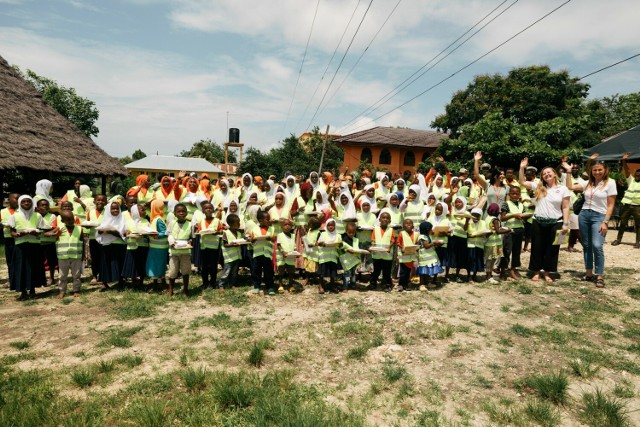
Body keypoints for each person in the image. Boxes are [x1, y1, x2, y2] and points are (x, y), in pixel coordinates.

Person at [564, 157, 616, 288]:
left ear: (605, 170)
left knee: (597, 245)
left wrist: (605, 221)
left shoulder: (610, 183)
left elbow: (611, 205)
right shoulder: (587, 183)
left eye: (600, 170)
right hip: (584, 215)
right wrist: (569, 172)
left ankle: (599, 275)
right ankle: (588, 273)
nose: (597, 172)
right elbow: (570, 186)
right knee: (586, 245)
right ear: (591, 171)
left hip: (599, 216)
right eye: (594, 170)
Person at [519, 158, 570, 283]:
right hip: (538, 221)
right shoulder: (539, 186)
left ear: (554, 174)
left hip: (556, 221)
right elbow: (521, 182)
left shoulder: (563, 189)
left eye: (549, 172)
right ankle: (536, 271)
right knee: (537, 247)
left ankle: (548, 272)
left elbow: (565, 207)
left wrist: (566, 224)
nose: (547, 174)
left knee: (552, 249)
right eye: (544, 173)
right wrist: (522, 168)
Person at [8, 195, 45, 300]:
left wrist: (36, 232)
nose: (26, 203)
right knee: (21, 268)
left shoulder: (37, 216)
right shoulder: (14, 216)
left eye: (28, 201)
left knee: (34, 267)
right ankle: (23, 291)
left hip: (34, 245)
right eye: (24, 201)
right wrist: (19, 234)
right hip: (20, 246)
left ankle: (33, 290)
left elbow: (42, 230)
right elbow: (12, 232)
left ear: (32, 203)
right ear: (20, 203)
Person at [96, 201, 127, 291]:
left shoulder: (122, 220)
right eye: (113, 209)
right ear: (109, 210)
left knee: (119, 263)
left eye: (117, 208)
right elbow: (99, 234)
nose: (115, 210)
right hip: (107, 245)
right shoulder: (105, 221)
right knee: (106, 263)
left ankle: (120, 281)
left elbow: (124, 234)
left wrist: (115, 233)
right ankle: (104, 283)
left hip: (119, 245)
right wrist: (101, 232)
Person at [612, 153, 640, 248]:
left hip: (637, 207)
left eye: (639, 175)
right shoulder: (631, 180)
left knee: (638, 224)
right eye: (636, 174)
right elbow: (626, 170)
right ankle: (618, 239)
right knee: (623, 222)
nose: (638, 175)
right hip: (627, 205)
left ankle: (637, 242)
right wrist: (624, 161)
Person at [55, 211, 84, 298]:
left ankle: (76, 290)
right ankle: (62, 291)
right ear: (62, 220)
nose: (71, 221)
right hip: (63, 256)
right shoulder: (59, 229)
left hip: (76, 256)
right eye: (67, 219)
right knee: (62, 275)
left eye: (72, 218)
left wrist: (83, 255)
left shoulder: (79, 229)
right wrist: (55, 234)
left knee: (76, 274)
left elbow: (82, 241)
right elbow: (48, 235)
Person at [500, 186, 526, 280]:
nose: (515, 195)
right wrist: (514, 215)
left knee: (516, 252)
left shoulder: (522, 205)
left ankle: (512, 270)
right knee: (506, 251)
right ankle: (503, 271)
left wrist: (524, 217)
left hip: (519, 230)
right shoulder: (506, 204)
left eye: (517, 194)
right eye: (512, 193)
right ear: (509, 194)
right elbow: (502, 218)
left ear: (519, 195)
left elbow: (524, 216)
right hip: (509, 231)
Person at [167, 203, 193, 296]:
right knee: (173, 271)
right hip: (174, 251)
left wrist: (190, 241)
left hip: (185, 251)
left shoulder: (190, 224)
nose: (181, 213)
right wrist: (172, 242)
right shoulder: (172, 223)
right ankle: (171, 289)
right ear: (175, 213)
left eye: (183, 211)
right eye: (179, 211)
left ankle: (186, 289)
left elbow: (191, 237)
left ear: (186, 213)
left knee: (185, 271)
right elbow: (169, 234)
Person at [122, 204, 149, 287]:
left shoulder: (146, 221)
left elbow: (149, 232)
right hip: (132, 247)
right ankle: (133, 281)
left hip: (143, 246)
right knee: (133, 265)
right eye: (142, 210)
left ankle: (141, 282)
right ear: (136, 212)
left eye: (144, 210)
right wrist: (126, 233)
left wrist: (145, 235)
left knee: (142, 264)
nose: (145, 212)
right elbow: (124, 232)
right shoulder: (128, 222)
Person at [197, 202, 223, 290]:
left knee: (213, 266)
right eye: (206, 208)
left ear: (213, 210)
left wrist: (216, 233)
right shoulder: (201, 222)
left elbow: (221, 232)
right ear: (203, 211)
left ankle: (212, 283)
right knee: (204, 266)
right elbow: (199, 231)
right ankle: (205, 282)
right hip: (204, 247)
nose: (208, 210)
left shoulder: (217, 221)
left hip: (214, 247)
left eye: (210, 208)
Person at [250, 210, 276, 295]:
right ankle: (257, 286)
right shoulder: (254, 229)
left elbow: (274, 239)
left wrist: (270, 238)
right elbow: (252, 241)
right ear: (260, 220)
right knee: (256, 270)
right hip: (257, 253)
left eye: (269, 219)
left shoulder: (272, 228)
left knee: (268, 271)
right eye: (267, 219)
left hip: (267, 253)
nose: (269, 220)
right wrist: (253, 240)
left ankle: (270, 287)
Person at [146, 199, 169, 287]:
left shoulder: (158, 219)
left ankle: (159, 284)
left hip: (159, 247)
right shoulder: (156, 218)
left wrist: (157, 235)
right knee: (156, 264)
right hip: (155, 246)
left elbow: (164, 232)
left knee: (158, 265)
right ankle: (158, 282)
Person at [446, 196, 470, 282]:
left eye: (460, 202)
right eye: (456, 202)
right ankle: (447, 275)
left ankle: (457, 275)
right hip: (452, 237)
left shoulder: (467, 213)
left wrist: (467, 220)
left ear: (463, 203)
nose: (457, 204)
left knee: (459, 257)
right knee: (450, 255)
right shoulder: (452, 211)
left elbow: (466, 229)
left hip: (462, 238)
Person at [484, 203, 509, 284]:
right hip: (494, 243)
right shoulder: (495, 219)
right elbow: (498, 231)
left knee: (489, 260)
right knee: (491, 261)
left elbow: (493, 228)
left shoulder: (487, 218)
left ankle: (489, 275)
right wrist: (508, 230)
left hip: (488, 242)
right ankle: (489, 276)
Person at [370, 211, 395, 291]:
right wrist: (373, 248)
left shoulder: (391, 230)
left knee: (387, 271)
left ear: (390, 221)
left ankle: (387, 284)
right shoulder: (376, 229)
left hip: (387, 255)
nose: (385, 219)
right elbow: (373, 240)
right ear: (379, 219)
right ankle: (373, 283)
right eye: (383, 218)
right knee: (376, 270)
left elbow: (392, 241)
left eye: (387, 218)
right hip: (377, 254)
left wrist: (389, 248)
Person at [218, 213, 243, 291]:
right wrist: (232, 244)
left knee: (234, 272)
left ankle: (233, 284)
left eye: (239, 222)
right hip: (229, 257)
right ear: (231, 224)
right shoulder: (226, 233)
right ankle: (221, 284)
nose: (239, 224)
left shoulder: (239, 233)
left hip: (237, 256)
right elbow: (225, 244)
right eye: (237, 223)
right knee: (226, 271)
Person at [85, 194, 107, 284]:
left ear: (106, 202)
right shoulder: (90, 212)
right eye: (98, 200)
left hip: (104, 238)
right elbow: (87, 224)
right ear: (94, 201)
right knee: (94, 258)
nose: (100, 202)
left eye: (102, 200)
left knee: (103, 258)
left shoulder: (107, 212)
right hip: (93, 238)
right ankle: (94, 275)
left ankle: (102, 276)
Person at [36, 199, 58, 287]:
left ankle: (52, 278)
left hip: (50, 242)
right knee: (39, 262)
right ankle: (41, 278)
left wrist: (46, 231)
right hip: (38, 242)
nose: (44, 207)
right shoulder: (35, 216)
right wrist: (45, 231)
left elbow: (54, 228)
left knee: (51, 262)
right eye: (42, 205)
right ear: (37, 207)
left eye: (46, 205)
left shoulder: (52, 216)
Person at [317, 218, 342, 293]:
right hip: (324, 257)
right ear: (326, 226)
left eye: (332, 225)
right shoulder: (323, 234)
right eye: (329, 225)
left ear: (335, 226)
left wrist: (340, 244)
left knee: (332, 272)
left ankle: (332, 285)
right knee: (322, 272)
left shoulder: (338, 235)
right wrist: (322, 244)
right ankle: (321, 285)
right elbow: (318, 243)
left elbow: (340, 245)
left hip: (333, 256)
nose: (331, 227)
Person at [417, 221, 444, 290]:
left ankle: (428, 283)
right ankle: (422, 284)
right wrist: (434, 242)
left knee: (427, 271)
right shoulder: (422, 237)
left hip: (430, 256)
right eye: (431, 229)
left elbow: (431, 245)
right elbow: (426, 246)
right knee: (423, 271)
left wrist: (437, 244)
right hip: (424, 257)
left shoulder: (428, 236)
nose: (432, 230)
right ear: (427, 229)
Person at [1, 193, 19, 287]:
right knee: (10, 261)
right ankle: (12, 280)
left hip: (21, 238)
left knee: (20, 261)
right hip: (9, 239)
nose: (18, 200)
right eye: (16, 198)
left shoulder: (22, 211)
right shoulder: (3, 212)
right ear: (9, 200)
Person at [396, 218, 418, 292]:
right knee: (403, 272)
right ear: (403, 226)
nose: (408, 225)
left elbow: (417, 242)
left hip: (411, 256)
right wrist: (402, 248)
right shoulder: (401, 233)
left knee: (409, 271)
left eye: (410, 223)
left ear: (413, 226)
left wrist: (416, 247)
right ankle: (401, 284)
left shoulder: (416, 234)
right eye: (406, 223)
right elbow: (398, 242)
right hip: (404, 256)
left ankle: (406, 284)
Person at [276, 219, 298, 293]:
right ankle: (280, 284)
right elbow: (278, 245)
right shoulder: (280, 235)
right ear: (282, 227)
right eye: (285, 225)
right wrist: (282, 252)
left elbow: (294, 246)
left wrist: (296, 253)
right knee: (281, 272)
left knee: (291, 272)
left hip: (290, 257)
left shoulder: (293, 236)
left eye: (289, 225)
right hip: (282, 257)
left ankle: (290, 285)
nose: (287, 226)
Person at [465, 208, 487, 282]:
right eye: (473, 215)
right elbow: (465, 232)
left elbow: (485, 232)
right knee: (470, 260)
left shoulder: (483, 222)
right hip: (470, 245)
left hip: (479, 245)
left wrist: (481, 235)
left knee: (477, 260)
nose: (475, 217)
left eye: (477, 216)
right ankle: (468, 275)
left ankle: (474, 275)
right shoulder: (469, 222)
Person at [339, 221, 360, 292]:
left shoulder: (356, 240)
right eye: (349, 232)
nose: (351, 234)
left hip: (354, 261)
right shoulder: (343, 239)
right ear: (346, 231)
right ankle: (345, 286)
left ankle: (353, 284)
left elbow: (357, 249)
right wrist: (348, 250)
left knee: (353, 273)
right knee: (346, 274)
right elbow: (341, 248)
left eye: (353, 233)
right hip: (346, 261)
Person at [302, 216, 321, 289]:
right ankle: (307, 279)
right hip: (307, 251)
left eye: (309, 224)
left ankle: (314, 278)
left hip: (314, 252)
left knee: (314, 267)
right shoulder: (309, 230)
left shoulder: (318, 232)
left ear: (313, 225)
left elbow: (318, 243)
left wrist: (313, 244)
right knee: (307, 267)